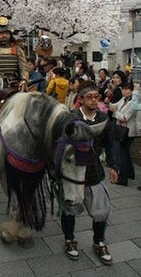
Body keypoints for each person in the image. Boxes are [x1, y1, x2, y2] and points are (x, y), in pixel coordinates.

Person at [61, 81, 118, 265]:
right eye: (90, 97)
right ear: (80, 99)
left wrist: (115, 166)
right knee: (69, 209)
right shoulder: (70, 119)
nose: (94, 100)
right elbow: (59, 145)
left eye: (97, 97)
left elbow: (111, 144)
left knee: (101, 211)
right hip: (72, 172)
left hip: (94, 172)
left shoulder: (103, 119)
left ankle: (99, 241)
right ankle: (69, 240)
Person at [108, 83, 138, 186]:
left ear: (132, 91)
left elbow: (125, 117)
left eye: (127, 89)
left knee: (122, 154)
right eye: (123, 89)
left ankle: (123, 178)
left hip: (129, 131)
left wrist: (115, 112)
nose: (124, 91)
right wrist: (109, 101)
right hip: (122, 129)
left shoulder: (134, 103)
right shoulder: (123, 99)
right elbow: (114, 106)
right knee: (125, 153)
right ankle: (130, 173)